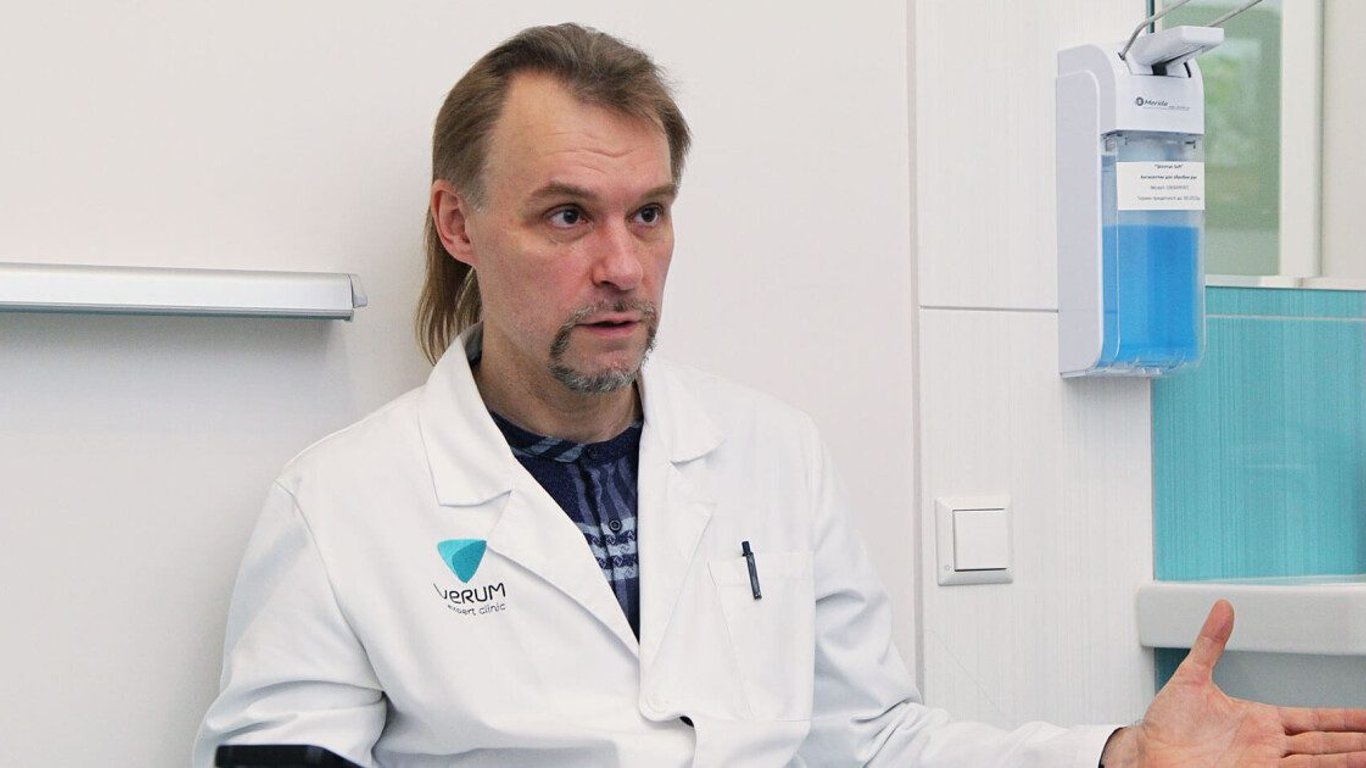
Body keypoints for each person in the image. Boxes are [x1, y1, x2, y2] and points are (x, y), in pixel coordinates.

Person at [195, 23, 1366, 767]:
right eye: (567, 216)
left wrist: (1117, 756)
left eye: (648, 213)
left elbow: (872, 741)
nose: (622, 265)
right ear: (459, 225)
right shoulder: (341, 507)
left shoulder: (770, 454)